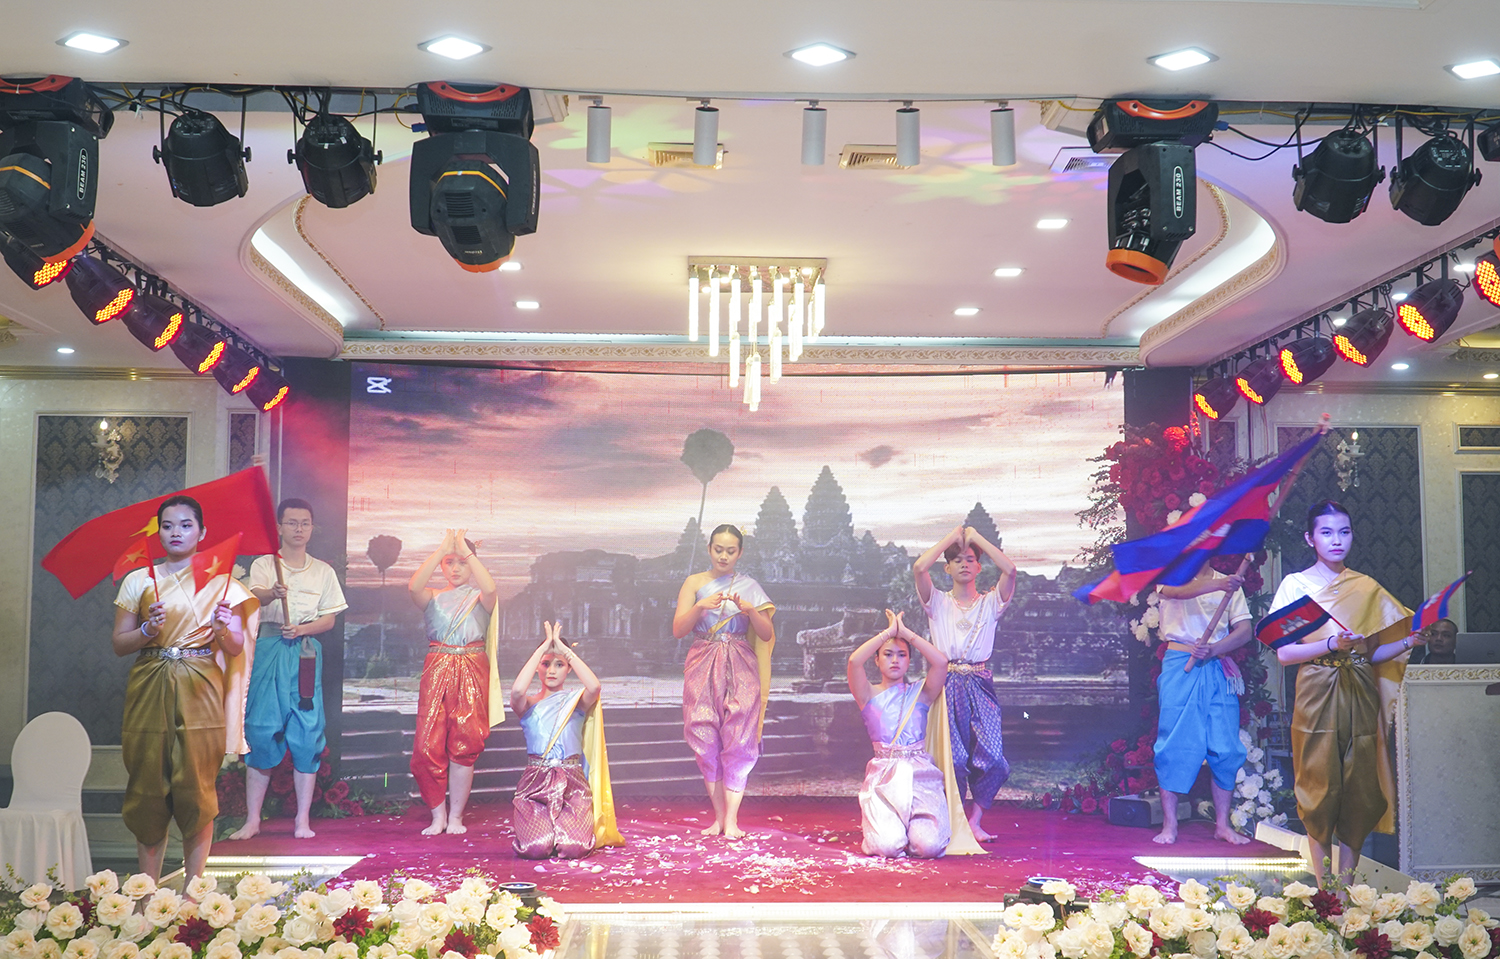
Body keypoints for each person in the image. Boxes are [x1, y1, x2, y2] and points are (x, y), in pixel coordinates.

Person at [1271, 500, 1418, 884]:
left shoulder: (1365, 587)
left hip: (1359, 688)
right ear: (1310, 538)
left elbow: (1371, 654)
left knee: (1358, 786)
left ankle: (1347, 893)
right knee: (1317, 784)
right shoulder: (1296, 586)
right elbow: (1284, 654)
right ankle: (1325, 891)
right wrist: (1330, 644)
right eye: (1326, 532)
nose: (1337, 540)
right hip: (1316, 687)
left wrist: (1408, 642)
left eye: (1344, 532)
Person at [111, 495, 256, 880]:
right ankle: (146, 894)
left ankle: (194, 894)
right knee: (147, 786)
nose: (176, 532)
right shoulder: (139, 580)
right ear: (158, 532)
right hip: (150, 679)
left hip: (200, 681)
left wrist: (222, 629)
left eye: (186, 525)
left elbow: (235, 647)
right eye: (168, 525)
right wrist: (147, 629)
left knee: (197, 785)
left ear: (202, 532)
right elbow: (119, 644)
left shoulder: (223, 583)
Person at [228, 498, 347, 842]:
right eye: (292, 522)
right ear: (279, 527)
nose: (299, 529)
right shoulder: (265, 564)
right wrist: (272, 593)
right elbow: (255, 597)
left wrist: (302, 629)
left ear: (312, 528)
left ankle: (302, 820)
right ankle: (253, 820)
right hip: (269, 649)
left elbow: (329, 619)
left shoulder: (322, 571)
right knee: (261, 728)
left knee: (307, 732)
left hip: (305, 653)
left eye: (305, 523)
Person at [912, 524, 1016, 842]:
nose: (964, 564)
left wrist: (974, 537)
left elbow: (1010, 570)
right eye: (957, 560)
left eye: (971, 559)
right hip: (946, 683)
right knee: (954, 760)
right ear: (947, 568)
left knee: (994, 760)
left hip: (980, 683)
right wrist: (953, 538)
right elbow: (919, 568)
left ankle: (975, 821)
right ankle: (951, 821)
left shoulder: (991, 602)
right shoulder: (937, 602)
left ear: (979, 567)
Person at [671, 524, 775, 839]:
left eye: (731, 551)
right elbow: (678, 630)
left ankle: (732, 820)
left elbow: (766, 634)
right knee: (702, 734)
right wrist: (700, 606)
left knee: (739, 736)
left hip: (740, 661)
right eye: (718, 549)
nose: (724, 556)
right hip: (703, 657)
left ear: (739, 553)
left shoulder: (749, 587)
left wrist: (750, 610)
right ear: (709, 549)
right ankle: (718, 818)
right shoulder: (694, 583)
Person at [1151, 564, 1255, 845]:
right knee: (1174, 744)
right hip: (1180, 664)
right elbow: (1178, 592)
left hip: (1217, 665)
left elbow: (1244, 630)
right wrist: (1221, 586)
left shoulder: (1229, 582)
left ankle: (1223, 825)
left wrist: (1214, 649)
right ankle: (1170, 824)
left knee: (1225, 747)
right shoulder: (1171, 575)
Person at [408, 528, 500, 836]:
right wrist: (441, 550)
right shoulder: (432, 597)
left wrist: (465, 550)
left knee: (465, 742)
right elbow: (414, 586)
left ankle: (456, 816)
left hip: (472, 667)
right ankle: (438, 816)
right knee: (426, 745)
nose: (456, 568)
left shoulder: (481, 598)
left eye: (463, 562)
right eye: (449, 562)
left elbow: (490, 587)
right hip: (437, 667)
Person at [510, 622, 622, 858]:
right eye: (545, 664)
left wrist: (565, 650)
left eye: (559, 664)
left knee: (574, 847)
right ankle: (545, 831)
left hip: (573, 786)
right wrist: (542, 649)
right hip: (535, 785)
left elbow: (594, 686)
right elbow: (517, 691)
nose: (551, 670)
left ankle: (562, 831)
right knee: (536, 848)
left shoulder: (576, 703)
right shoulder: (527, 704)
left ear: (569, 668)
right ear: (537, 667)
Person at [847, 609, 951, 858]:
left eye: (902, 655)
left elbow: (941, 663)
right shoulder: (867, 694)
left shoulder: (921, 693)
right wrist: (887, 633)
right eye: (888, 654)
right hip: (883, 775)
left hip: (920, 775)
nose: (895, 660)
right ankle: (894, 830)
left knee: (928, 847)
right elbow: (853, 662)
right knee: (886, 847)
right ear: (877, 660)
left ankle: (914, 831)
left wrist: (906, 633)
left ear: (909, 661)